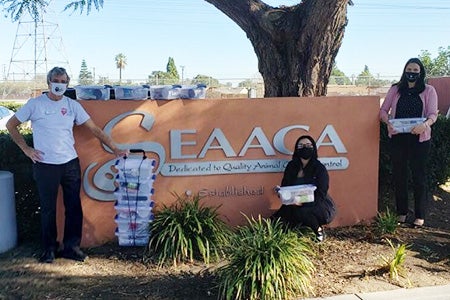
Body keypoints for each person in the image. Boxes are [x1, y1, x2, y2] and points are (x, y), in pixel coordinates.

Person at [6, 67, 128, 263]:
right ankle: (49, 249)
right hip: (45, 165)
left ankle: (71, 247)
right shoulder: (35, 104)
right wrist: (27, 149)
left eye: (63, 82)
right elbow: (10, 125)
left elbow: (94, 129)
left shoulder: (72, 106)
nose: (59, 85)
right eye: (56, 80)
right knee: (47, 209)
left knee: (73, 207)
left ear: (67, 84)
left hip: (70, 163)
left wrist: (115, 148)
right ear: (48, 82)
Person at [380, 58, 438, 228]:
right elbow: (383, 110)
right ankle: (402, 212)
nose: (411, 72)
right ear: (404, 71)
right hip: (398, 138)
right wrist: (388, 121)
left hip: (419, 140)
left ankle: (420, 215)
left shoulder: (429, 90)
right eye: (409, 69)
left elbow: (433, 114)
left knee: (419, 177)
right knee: (400, 176)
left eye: (415, 70)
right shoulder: (395, 89)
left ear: (420, 73)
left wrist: (425, 125)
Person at [271, 135, 336, 242]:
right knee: (275, 221)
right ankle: (292, 236)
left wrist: (301, 201)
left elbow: (321, 193)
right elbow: (285, 187)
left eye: (308, 145)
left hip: (318, 205)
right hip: (293, 203)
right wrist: (281, 193)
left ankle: (318, 231)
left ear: (313, 148)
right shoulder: (291, 166)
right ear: (296, 149)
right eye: (301, 145)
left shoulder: (319, 168)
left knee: (302, 211)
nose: (304, 148)